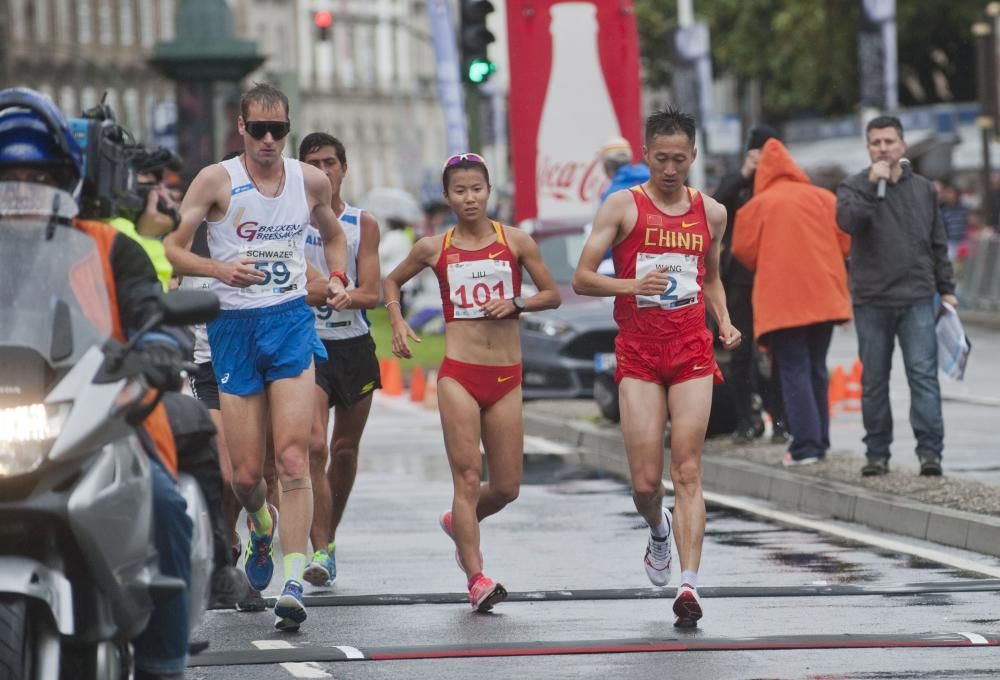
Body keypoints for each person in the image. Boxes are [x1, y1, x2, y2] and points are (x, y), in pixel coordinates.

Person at [0, 87, 191, 680]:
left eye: (38, 175)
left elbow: (148, 311)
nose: (23, 190)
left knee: (166, 506)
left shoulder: (110, 246)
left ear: (66, 178)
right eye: (9, 177)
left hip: (91, 418)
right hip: (13, 421)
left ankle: (164, 665)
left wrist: (160, 347)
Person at [164, 82, 349, 632]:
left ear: (288, 130)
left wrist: (337, 276)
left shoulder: (307, 179)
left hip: (290, 322)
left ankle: (293, 583)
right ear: (241, 129)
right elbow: (176, 246)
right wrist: (219, 271)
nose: (269, 141)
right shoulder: (217, 180)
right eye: (259, 130)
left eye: (280, 131)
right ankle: (260, 522)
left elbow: (333, 235)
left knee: (294, 458)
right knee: (245, 475)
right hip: (232, 329)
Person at [572, 108, 741, 628]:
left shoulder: (711, 212)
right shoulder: (623, 206)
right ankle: (658, 529)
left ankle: (688, 585)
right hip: (640, 352)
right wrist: (630, 287)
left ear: (693, 156)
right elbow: (581, 277)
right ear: (646, 155)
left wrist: (725, 321)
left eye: (679, 159)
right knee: (646, 483)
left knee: (687, 469)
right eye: (661, 158)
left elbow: (710, 277)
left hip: (691, 348)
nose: (670, 168)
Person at [383, 152, 561, 612]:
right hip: (459, 374)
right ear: (446, 197)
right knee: (466, 477)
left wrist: (518, 304)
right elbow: (391, 282)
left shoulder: (517, 242)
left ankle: (458, 524)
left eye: (477, 189)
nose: (469, 198)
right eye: (459, 191)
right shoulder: (434, 247)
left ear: (489, 190)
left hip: (505, 376)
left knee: (505, 488)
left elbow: (552, 294)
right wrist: (397, 321)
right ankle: (477, 577)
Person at [835, 115, 957, 477]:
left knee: (923, 376)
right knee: (874, 380)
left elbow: (938, 242)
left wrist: (947, 289)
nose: (883, 148)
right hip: (872, 298)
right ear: (868, 148)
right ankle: (877, 452)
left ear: (902, 145)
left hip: (917, 296)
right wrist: (874, 185)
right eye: (876, 143)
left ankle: (930, 453)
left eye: (889, 141)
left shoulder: (923, 189)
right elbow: (847, 222)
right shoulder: (855, 185)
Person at [731, 138, 852, 466]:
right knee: (816, 368)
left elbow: (744, 251)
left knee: (793, 369)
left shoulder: (758, 205)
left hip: (783, 301)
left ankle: (806, 446)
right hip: (825, 297)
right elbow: (845, 242)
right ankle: (820, 441)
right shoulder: (825, 199)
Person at [297, 132, 382, 587]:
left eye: (331, 162)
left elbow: (374, 290)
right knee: (314, 446)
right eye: (314, 164)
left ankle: (331, 533)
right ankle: (321, 550)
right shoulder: (289, 219)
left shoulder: (363, 223)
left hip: (354, 344)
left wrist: (348, 296)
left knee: (344, 452)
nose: (324, 171)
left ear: (344, 169)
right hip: (309, 345)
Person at [713, 125, 787, 444]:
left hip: (774, 279)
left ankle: (782, 419)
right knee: (741, 354)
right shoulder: (738, 184)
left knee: (778, 353)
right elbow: (716, 204)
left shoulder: (782, 185)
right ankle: (747, 418)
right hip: (739, 281)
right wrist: (745, 172)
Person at [935, 178, 969, 260]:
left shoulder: (963, 208)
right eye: (947, 193)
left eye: (951, 192)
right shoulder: (942, 209)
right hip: (950, 242)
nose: (948, 195)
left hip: (963, 240)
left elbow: (967, 223)